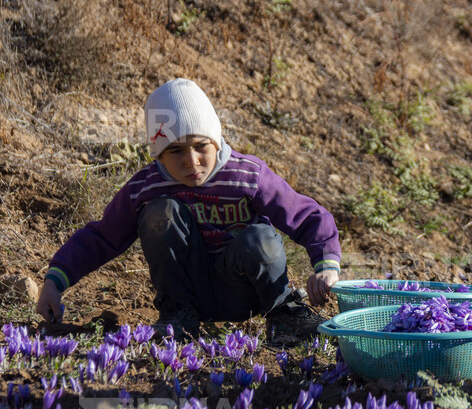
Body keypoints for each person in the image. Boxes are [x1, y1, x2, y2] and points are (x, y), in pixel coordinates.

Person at [36, 78, 342, 341]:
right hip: (188, 294)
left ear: (216, 140)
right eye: (176, 150)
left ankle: (282, 312)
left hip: (245, 290)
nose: (191, 161)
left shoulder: (247, 175)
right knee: (159, 213)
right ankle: (178, 316)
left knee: (259, 238)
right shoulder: (146, 187)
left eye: (200, 146)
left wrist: (327, 265)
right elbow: (102, 237)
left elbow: (306, 216)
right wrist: (55, 281)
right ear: (157, 153)